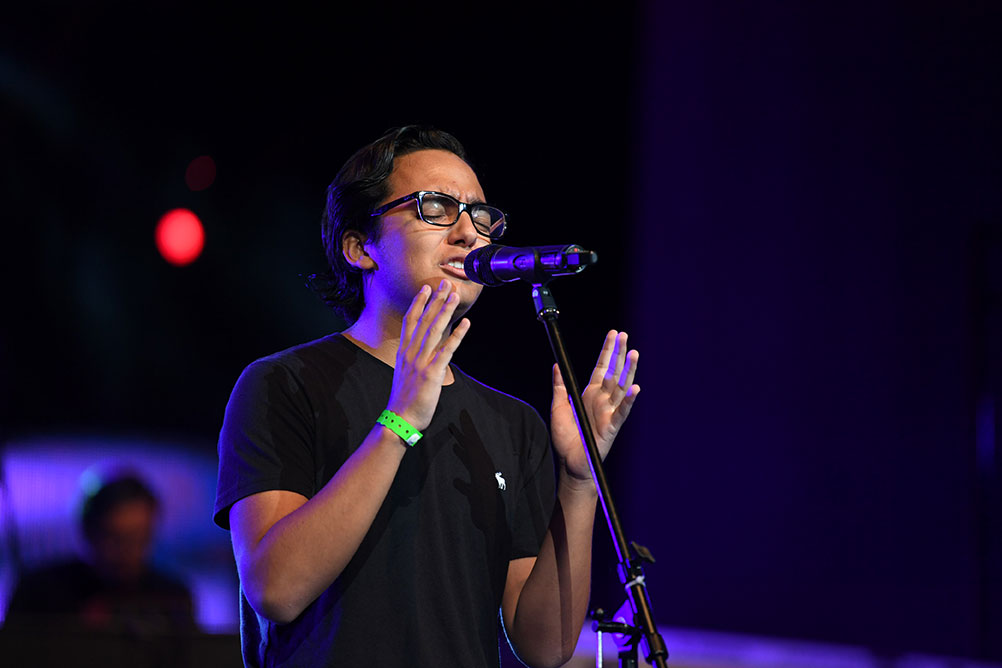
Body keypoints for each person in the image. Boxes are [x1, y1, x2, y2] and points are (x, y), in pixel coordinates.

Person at [213, 125, 640, 668]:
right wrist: (400, 421)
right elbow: (276, 589)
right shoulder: (284, 383)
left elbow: (545, 647)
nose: (468, 233)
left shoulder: (513, 422)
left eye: (480, 216)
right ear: (359, 246)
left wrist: (579, 482)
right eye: (435, 207)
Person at [5, 472, 194, 634]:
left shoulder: (173, 597)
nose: (126, 551)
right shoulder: (39, 591)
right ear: (88, 531)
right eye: (114, 538)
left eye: (138, 538)